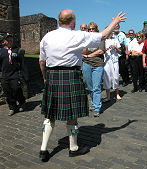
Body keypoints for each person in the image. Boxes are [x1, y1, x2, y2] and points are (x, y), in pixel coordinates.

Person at [39, 9, 126, 162]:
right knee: (72, 116)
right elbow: (103, 35)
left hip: (52, 77)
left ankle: (43, 150)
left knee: (49, 116)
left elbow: (42, 62)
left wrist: (45, 78)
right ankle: (73, 148)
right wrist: (115, 22)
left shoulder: (47, 36)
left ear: (59, 21)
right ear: (73, 22)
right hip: (71, 76)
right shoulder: (77, 35)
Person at [82, 22, 105, 117]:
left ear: (96, 29)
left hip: (98, 64)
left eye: (93, 29)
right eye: (89, 29)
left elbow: (101, 51)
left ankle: (97, 107)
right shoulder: (86, 39)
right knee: (90, 87)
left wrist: (88, 55)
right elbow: (83, 51)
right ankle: (94, 103)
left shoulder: (100, 38)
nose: (91, 30)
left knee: (96, 87)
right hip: (86, 64)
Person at [0, 33, 26, 116]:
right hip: (5, 75)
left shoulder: (17, 50)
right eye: (8, 40)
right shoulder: (1, 52)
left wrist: (22, 73)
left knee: (16, 89)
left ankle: (22, 102)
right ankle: (12, 107)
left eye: (11, 40)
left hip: (15, 74)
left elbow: (22, 63)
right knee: (7, 92)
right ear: (4, 41)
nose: (10, 41)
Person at [102, 31, 122, 101]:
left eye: (111, 32)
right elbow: (101, 50)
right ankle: (108, 96)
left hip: (114, 61)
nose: (111, 34)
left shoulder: (115, 39)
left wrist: (115, 48)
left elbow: (120, 51)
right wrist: (105, 50)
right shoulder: (103, 40)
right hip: (106, 61)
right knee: (107, 78)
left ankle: (117, 93)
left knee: (116, 77)